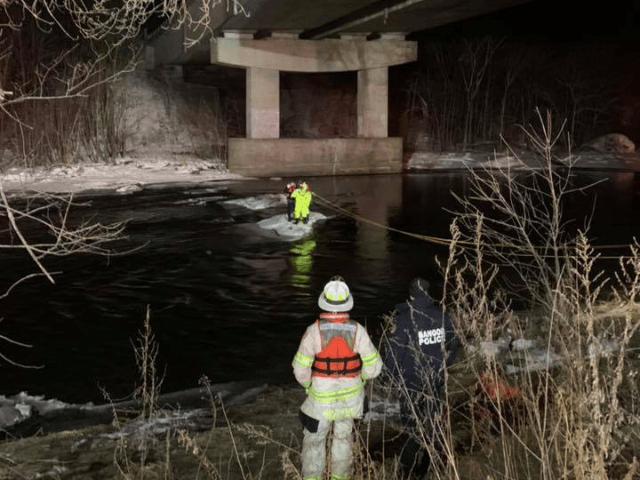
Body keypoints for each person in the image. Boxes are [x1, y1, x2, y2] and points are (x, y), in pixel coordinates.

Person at [293, 276, 383, 480]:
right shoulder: (357, 330)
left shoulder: (313, 331)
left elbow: (300, 370)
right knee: (343, 440)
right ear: (346, 303)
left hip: (321, 401)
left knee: (314, 441)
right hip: (351, 400)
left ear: (323, 301)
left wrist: (308, 386)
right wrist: (360, 379)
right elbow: (375, 366)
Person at [382, 277, 457, 478]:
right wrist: (444, 366)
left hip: (411, 382)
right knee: (432, 419)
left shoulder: (405, 318)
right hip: (435, 379)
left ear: (411, 296)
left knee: (412, 426)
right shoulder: (442, 316)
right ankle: (431, 464)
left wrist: (388, 375)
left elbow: (395, 353)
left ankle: (407, 472)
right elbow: (453, 345)